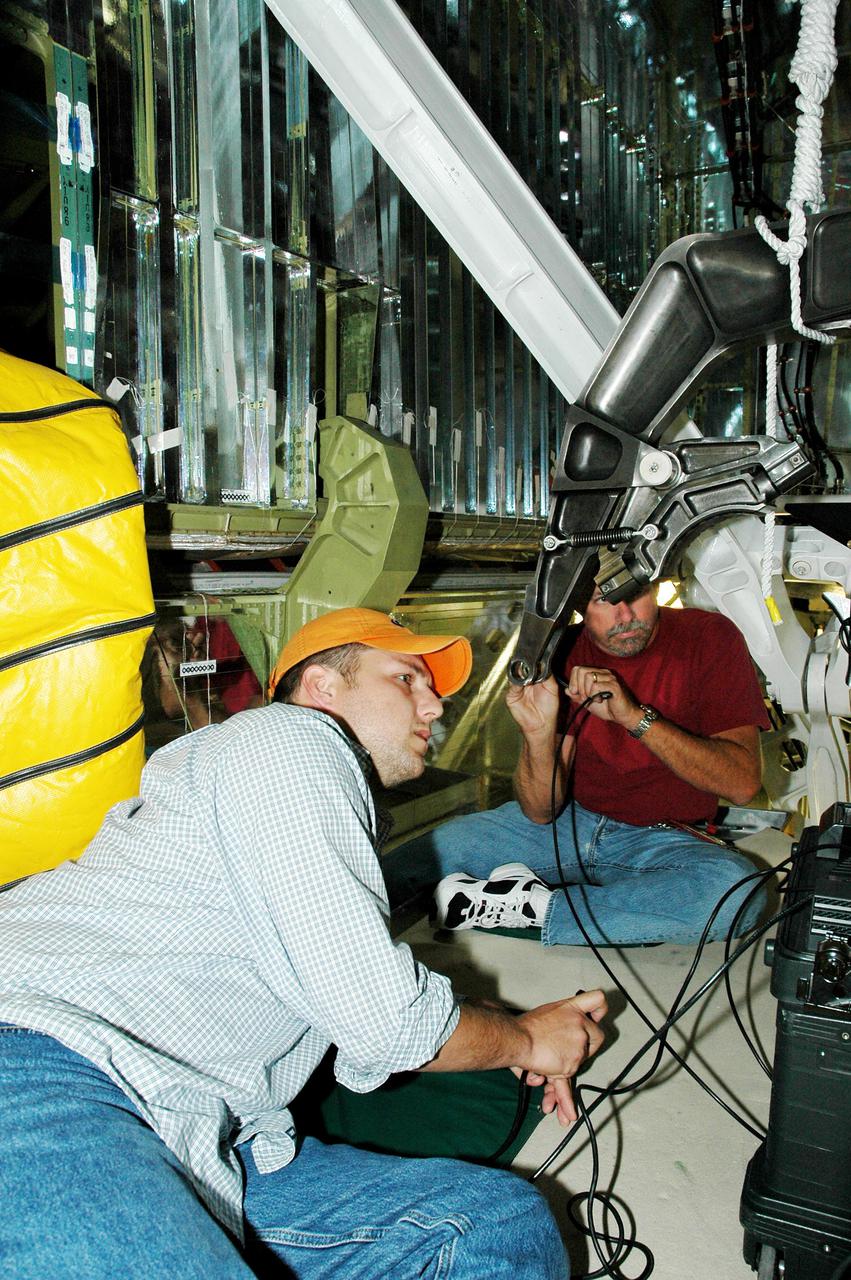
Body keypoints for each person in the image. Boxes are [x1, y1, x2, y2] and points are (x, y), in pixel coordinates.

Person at [0, 606, 607, 1280]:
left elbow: (356, 1003)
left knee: (489, 1224)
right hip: (44, 1067)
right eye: (407, 679)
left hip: (204, 1140)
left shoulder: (280, 785)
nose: (434, 705)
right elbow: (383, 1023)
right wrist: (525, 1042)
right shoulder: (290, 739)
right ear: (321, 687)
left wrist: (508, 1026)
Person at [382, 586, 771, 947]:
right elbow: (539, 811)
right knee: (409, 865)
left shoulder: (708, 636)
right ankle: (580, 906)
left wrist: (635, 718)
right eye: (603, 601)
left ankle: (535, 909)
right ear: (579, 604)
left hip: (666, 839)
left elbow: (741, 783)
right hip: (570, 823)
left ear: (654, 587)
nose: (624, 615)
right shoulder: (564, 649)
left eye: (634, 595)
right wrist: (537, 734)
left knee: (737, 894)